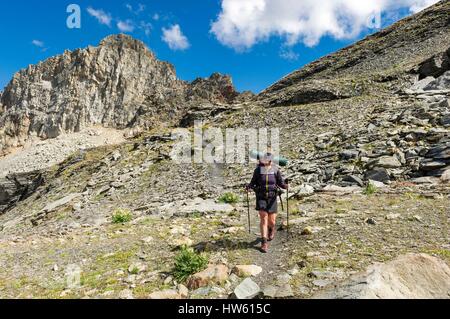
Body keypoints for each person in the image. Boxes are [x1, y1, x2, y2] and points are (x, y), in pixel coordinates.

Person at [247, 153, 288, 253]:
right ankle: (264, 242)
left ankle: (271, 229)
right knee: (263, 218)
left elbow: (280, 183)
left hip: (272, 197)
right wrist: (249, 187)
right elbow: (253, 183)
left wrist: (286, 185)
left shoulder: (275, 170)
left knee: (272, 221)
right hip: (261, 196)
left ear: (270, 161)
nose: (262, 161)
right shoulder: (257, 171)